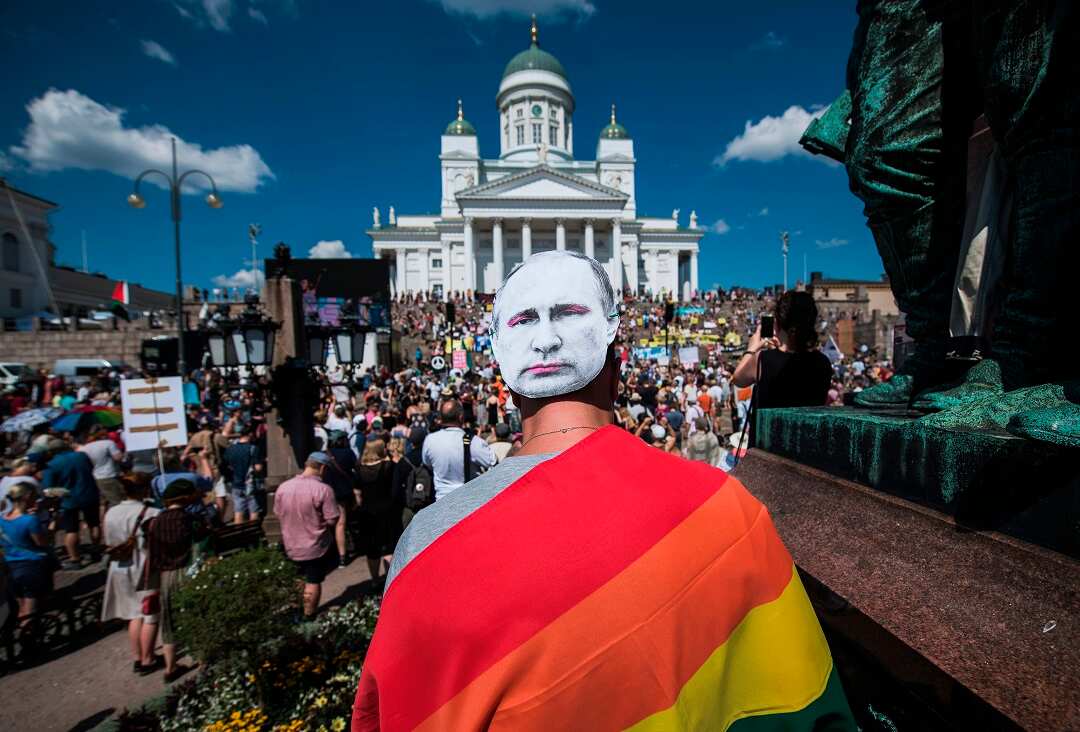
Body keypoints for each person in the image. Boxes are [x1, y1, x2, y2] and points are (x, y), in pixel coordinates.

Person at [353, 251, 853, 730]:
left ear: (505, 384)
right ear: (618, 369)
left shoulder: (428, 547)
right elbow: (809, 703)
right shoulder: (726, 507)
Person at [732, 291, 833, 444]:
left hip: (767, 449)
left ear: (777, 323)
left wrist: (751, 349)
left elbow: (738, 379)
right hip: (805, 447)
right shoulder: (823, 362)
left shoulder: (763, 360)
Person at [143, 479, 204, 682]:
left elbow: (151, 552)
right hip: (189, 571)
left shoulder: (154, 522)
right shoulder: (191, 519)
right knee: (196, 616)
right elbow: (203, 545)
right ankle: (203, 660)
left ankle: (170, 668)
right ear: (186, 498)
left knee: (169, 622)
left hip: (166, 576)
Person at [101, 474, 162, 675]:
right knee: (150, 613)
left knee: (132, 614)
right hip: (144, 566)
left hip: (119, 566)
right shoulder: (151, 512)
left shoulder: (111, 512)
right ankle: (148, 659)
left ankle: (137, 657)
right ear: (145, 490)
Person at [273, 452, 340, 618]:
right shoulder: (323, 489)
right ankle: (309, 615)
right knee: (313, 580)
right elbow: (332, 519)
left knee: (298, 579)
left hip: (290, 542)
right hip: (315, 544)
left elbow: (277, 513)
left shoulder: (283, 487)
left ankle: (297, 611)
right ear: (323, 468)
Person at [41, 437, 101, 568]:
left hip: (69, 500)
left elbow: (48, 489)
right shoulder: (82, 456)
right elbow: (91, 469)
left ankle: (75, 559)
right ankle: (96, 549)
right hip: (89, 493)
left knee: (71, 530)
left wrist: (61, 493)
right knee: (94, 524)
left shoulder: (52, 464)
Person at [420, 399, 496, 501]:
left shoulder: (429, 440)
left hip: (441, 502)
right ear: (461, 417)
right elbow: (494, 463)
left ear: (441, 419)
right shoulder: (474, 442)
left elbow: (427, 463)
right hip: (468, 501)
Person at [0, 483, 53, 619]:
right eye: (35, 496)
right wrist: (52, 526)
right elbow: (42, 543)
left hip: (10, 567)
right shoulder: (30, 520)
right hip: (31, 566)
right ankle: (30, 637)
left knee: (21, 609)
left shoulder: (1, 519)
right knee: (30, 610)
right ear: (27, 497)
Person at [355, 440, 397, 582]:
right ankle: (389, 580)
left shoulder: (359, 469)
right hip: (386, 511)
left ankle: (374, 580)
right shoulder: (387, 467)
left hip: (367, 512)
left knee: (372, 550)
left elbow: (357, 494)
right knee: (388, 548)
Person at [221, 425, 265, 524]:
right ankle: (253, 534)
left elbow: (224, 466)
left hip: (235, 484)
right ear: (250, 434)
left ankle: (239, 535)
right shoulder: (253, 448)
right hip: (250, 484)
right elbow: (258, 468)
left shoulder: (230, 449)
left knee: (238, 510)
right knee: (253, 510)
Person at [79, 424, 125, 513]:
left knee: (103, 503)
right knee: (117, 502)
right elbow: (118, 458)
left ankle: (104, 522)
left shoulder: (85, 448)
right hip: (110, 475)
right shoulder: (108, 443)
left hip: (95, 478)